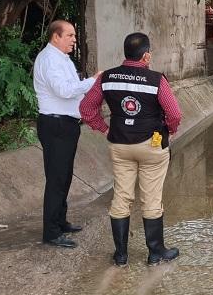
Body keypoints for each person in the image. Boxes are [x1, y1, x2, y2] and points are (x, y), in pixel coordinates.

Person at [80, 32, 182, 267]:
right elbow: (174, 113)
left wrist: (104, 129)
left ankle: (121, 255)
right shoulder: (156, 80)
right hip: (151, 146)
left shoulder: (107, 77)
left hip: (120, 145)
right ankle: (156, 253)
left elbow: (86, 108)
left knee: (122, 197)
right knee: (151, 198)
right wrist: (170, 129)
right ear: (146, 55)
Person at [33, 20, 99, 248]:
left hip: (66, 124)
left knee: (65, 176)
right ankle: (51, 232)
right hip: (55, 124)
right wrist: (93, 81)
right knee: (56, 179)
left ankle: (60, 221)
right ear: (55, 37)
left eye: (73, 35)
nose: (73, 39)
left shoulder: (62, 59)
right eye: (69, 35)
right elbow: (64, 91)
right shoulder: (49, 60)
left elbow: (72, 90)